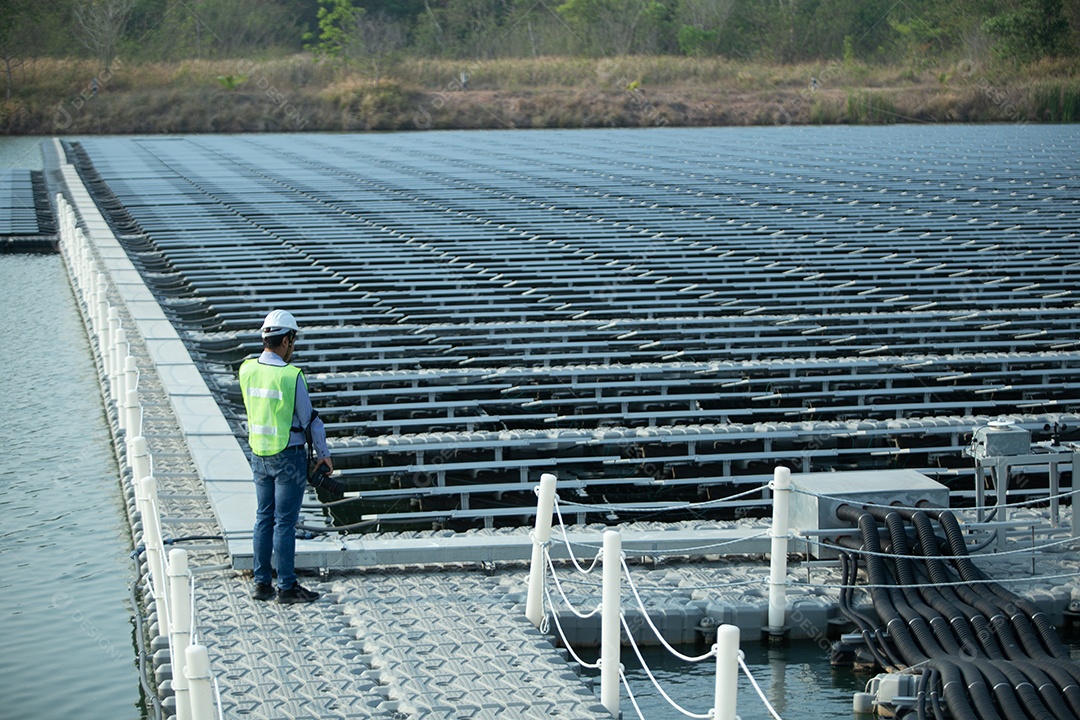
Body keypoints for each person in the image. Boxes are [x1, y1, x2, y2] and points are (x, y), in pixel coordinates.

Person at [239, 309, 332, 604]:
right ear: (287, 340)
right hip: (287, 454)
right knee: (284, 522)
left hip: (258, 452)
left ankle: (262, 584)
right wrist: (324, 454)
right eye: (294, 340)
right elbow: (310, 419)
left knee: (263, 518)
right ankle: (288, 587)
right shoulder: (291, 376)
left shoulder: (246, 368)